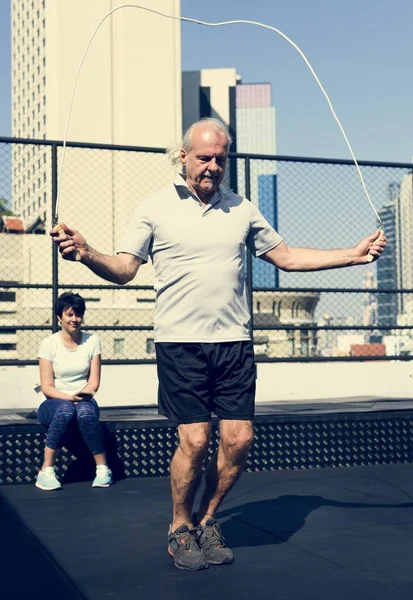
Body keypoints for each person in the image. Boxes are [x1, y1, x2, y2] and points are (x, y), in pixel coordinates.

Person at [51, 117, 386, 570]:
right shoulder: (154, 208)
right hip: (180, 346)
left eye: (220, 159)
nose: (212, 167)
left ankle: (208, 519)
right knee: (194, 440)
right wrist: (87, 253)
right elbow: (125, 267)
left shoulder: (243, 209)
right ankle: (179, 526)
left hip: (233, 346)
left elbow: (285, 258)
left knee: (239, 438)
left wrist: (352, 254)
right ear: (183, 156)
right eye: (204, 157)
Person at [36, 292, 113, 491]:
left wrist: (82, 396)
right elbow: (47, 388)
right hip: (55, 402)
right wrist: (70, 398)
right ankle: (46, 470)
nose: (74, 319)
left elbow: (94, 382)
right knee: (66, 410)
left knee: (85, 411)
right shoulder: (48, 344)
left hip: (84, 400)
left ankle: (103, 468)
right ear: (59, 317)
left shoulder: (92, 341)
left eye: (78, 314)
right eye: (69, 314)